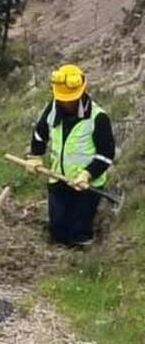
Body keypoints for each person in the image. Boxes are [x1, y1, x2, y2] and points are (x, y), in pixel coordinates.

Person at [26, 64, 115, 247]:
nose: (66, 103)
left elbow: (106, 155)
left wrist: (87, 174)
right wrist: (35, 156)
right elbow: (39, 134)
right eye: (63, 99)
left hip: (85, 186)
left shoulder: (98, 118)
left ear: (81, 92)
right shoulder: (53, 108)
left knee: (78, 233)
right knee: (58, 229)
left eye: (70, 99)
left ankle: (83, 259)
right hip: (58, 180)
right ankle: (58, 252)